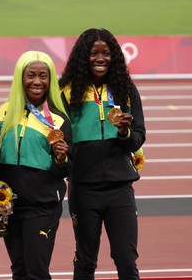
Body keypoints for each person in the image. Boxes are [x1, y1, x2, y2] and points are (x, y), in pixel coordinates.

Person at [59, 28, 146, 279]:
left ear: (114, 56)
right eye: (93, 53)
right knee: (85, 261)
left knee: (127, 261)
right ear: (81, 57)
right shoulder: (65, 91)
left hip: (120, 188)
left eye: (106, 53)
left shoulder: (125, 89)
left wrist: (125, 133)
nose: (100, 58)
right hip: (83, 188)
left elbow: (139, 136)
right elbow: (58, 136)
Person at [0, 51, 72, 280]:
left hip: (42, 207)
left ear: (50, 81)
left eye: (43, 76)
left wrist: (61, 159)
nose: (37, 82)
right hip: (10, 206)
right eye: (31, 75)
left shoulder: (59, 120)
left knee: (36, 272)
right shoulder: (2, 113)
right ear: (20, 77)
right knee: (19, 270)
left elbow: (66, 169)